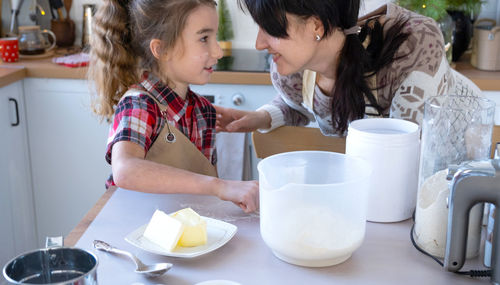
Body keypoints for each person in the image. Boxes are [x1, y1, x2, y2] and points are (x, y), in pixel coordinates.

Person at [88, 0, 259, 213]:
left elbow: (207, 197)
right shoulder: (139, 105)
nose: (218, 52)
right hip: (130, 232)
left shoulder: (203, 111)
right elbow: (125, 170)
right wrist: (219, 186)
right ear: (162, 49)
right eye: (204, 38)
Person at [216, 0, 481, 136]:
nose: (259, 43)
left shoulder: (413, 44)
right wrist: (260, 118)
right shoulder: (292, 68)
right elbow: (300, 104)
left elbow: (400, 146)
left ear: (316, 27)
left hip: (461, 167)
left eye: (271, 30)